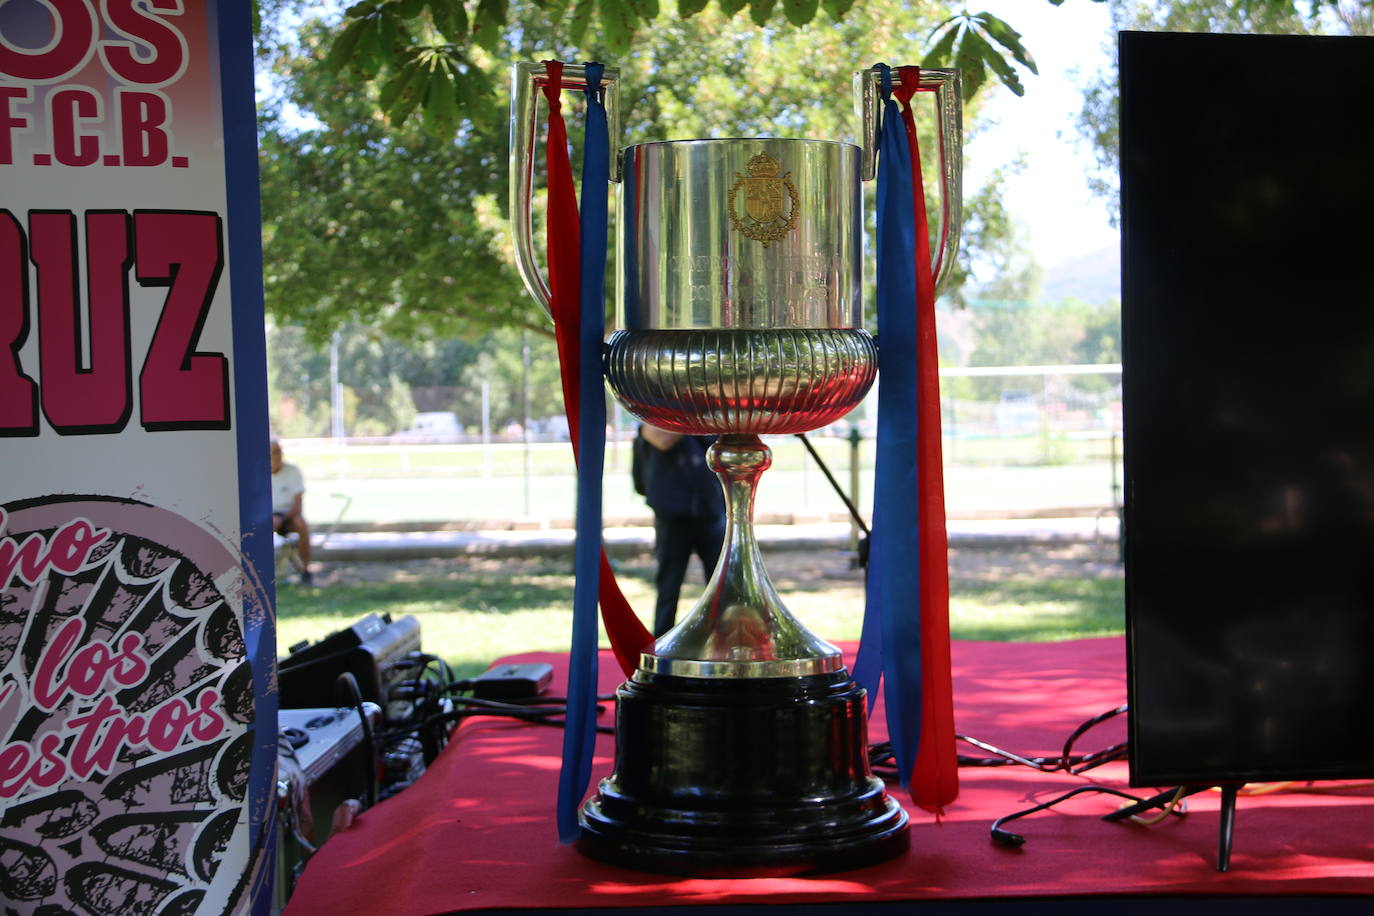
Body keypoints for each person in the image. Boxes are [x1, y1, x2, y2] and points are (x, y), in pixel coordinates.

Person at [633, 424, 726, 636]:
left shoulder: (711, 422)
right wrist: (690, 416)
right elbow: (664, 440)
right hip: (672, 515)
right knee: (668, 586)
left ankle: (721, 638)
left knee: (720, 584)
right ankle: (662, 641)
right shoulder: (655, 421)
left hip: (710, 510)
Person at [271, 439, 313, 585]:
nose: (276, 456)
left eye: (278, 452)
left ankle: (305, 569)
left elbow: (297, 504)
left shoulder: (292, 471)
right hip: (267, 515)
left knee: (302, 525)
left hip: (288, 515)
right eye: (272, 452)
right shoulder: (258, 472)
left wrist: (281, 519)